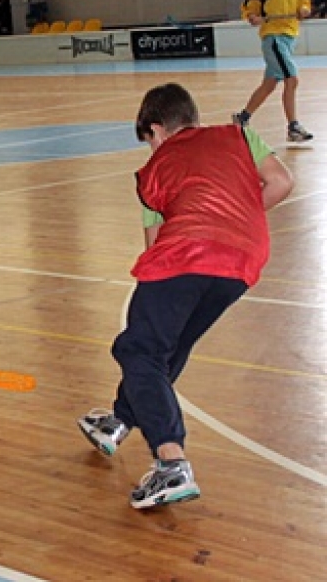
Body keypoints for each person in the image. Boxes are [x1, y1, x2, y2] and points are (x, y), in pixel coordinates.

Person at [78, 83, 293, 510]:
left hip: (185, 254)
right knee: (169, 346)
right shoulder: (238, 136)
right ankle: (119, 421)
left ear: (157, 130)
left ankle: (170, 461)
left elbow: (154, 242)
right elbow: (282, 182)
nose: (151, 147)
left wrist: (201, 226)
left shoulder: (157, 168)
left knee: (140, 349)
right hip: (244, 257)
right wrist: (235, 218)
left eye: (149, 140)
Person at [233, 0, 313, 143]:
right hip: (273, 39)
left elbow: (305, 4)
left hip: (289, 39)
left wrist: (304, 10)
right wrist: (253, 17)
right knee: (292, 79)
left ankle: (242, 117)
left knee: (269, 83)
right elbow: (249, 9)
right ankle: (293, 126)